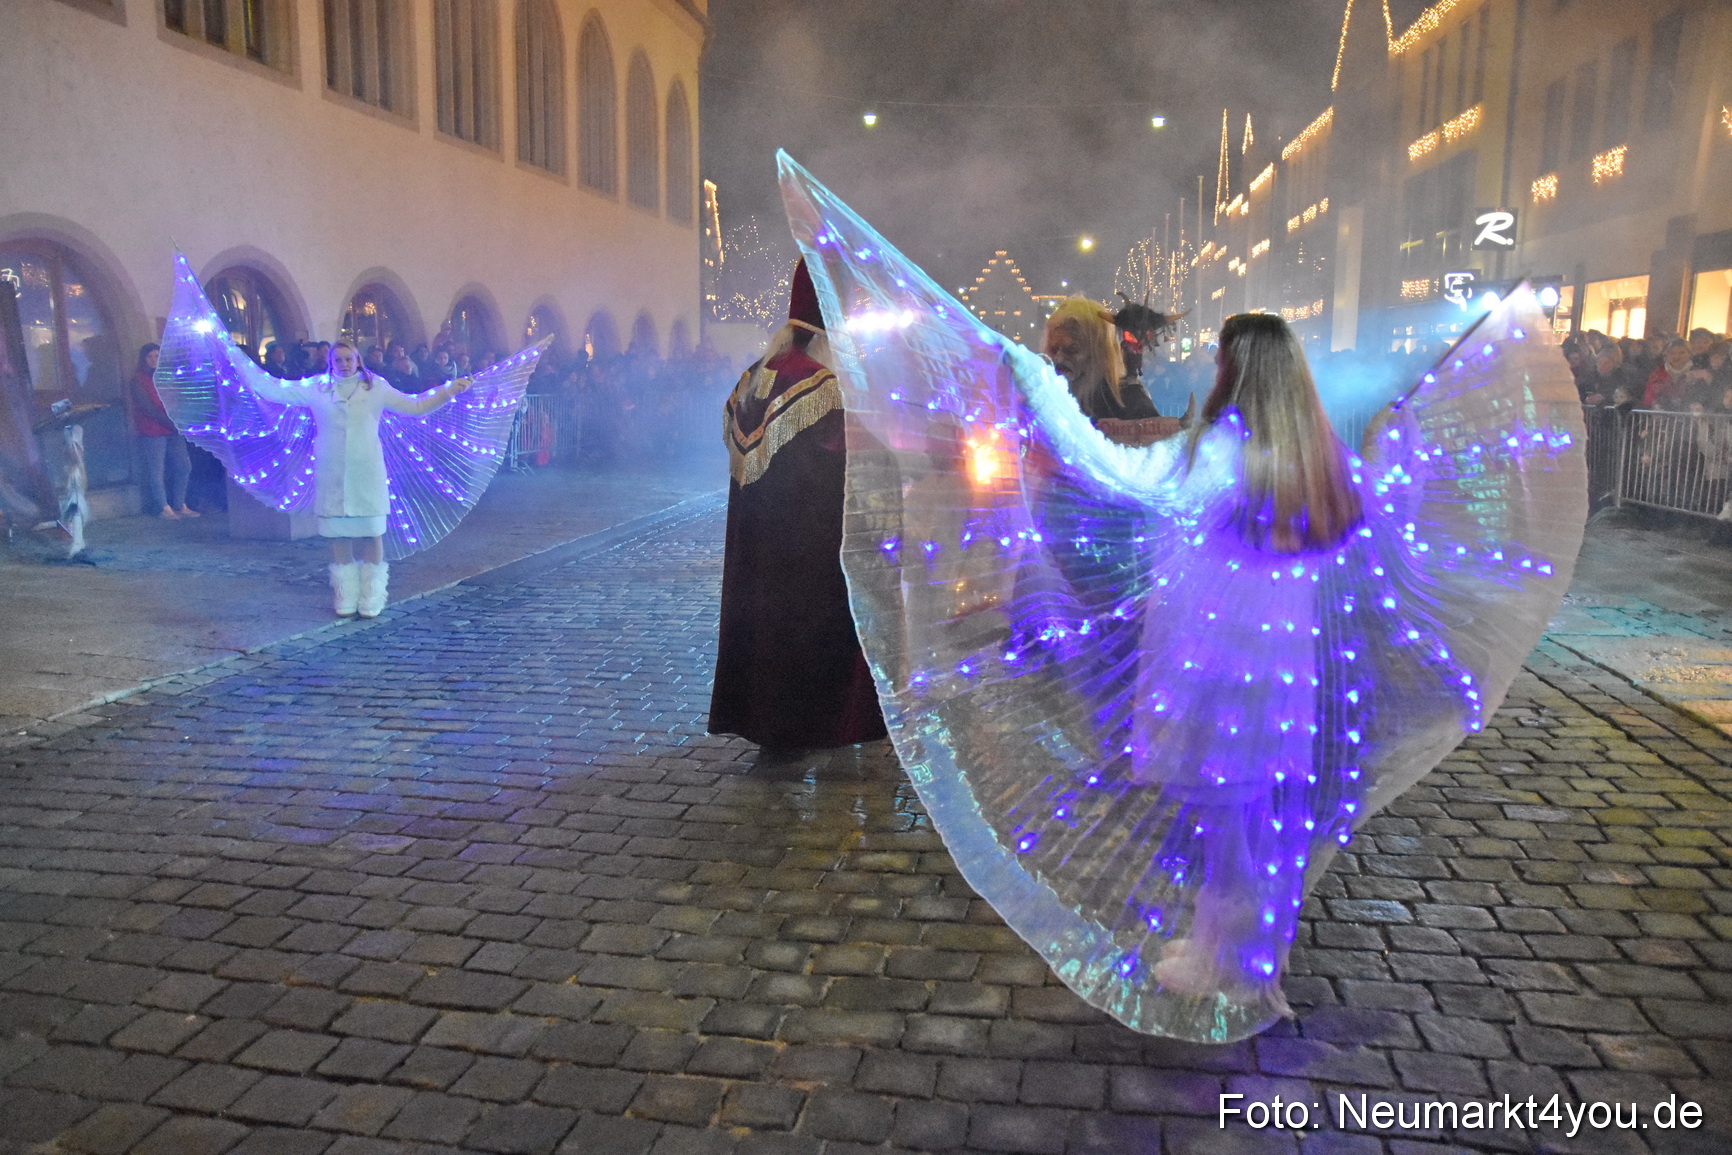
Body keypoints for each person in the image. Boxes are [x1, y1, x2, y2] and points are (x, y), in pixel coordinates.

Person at [708, 258, 887, 751]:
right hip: (807, 547)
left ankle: (761, 720)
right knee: (805, 628)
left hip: (758, 544)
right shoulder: (822, 386)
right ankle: (809, 724)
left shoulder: (752, 377)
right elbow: (849, 467)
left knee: (762, 622)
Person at [232, 341, 472, 617]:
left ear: (358, 360)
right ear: (330, 362)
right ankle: (345, 593)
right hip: (331, 469)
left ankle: (372, 594)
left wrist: (447, 391)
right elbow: (272, 389)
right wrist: (235, 360)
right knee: (338, 534)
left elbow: (415, 405)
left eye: (349, 359)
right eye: (338, 359)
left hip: (366, 469)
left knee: (372, 531)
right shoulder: (316, 387)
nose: (344, 364)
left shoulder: (376, 388)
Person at [129, 343, 198, 519]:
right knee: (156, 470)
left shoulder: (166, 378)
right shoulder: (138, 380)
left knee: (184, 466)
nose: (154, 360)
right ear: (144, 359)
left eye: (157, 356)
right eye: (150, 357)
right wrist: (171, 422)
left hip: (172, 428)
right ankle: (163, 507)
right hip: (153, 429)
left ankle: (179, 503)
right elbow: (147, 408)